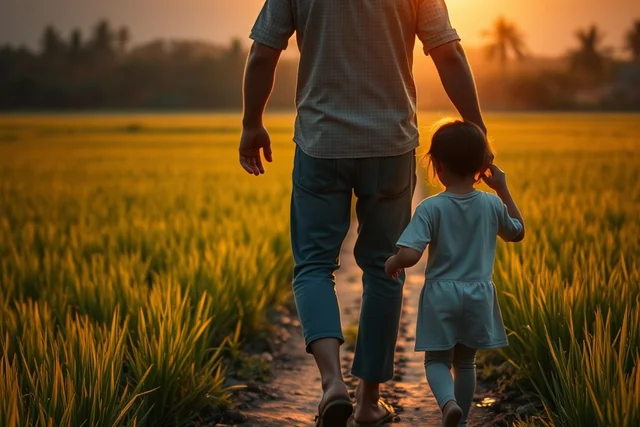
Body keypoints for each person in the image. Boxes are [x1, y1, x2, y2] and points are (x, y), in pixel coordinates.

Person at [239, 1, 487, 425]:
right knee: (384, 268)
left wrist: (251, 122)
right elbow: (448, 52)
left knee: (314, 265)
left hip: (321, 144)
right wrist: (476, 128)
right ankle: (369, 402)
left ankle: (332, 383)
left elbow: (264, 52)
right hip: (389, 144)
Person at [384, 120, 525, 427]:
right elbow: (517, 232)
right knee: (465, 361)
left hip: (441, 295)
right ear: (482, 166)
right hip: (478, 294)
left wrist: (393, 263)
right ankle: (460, 421)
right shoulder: (491, 203)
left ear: (438, 166)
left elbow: (411, 253)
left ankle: (448, 405)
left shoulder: (430, 207)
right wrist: (502, 187)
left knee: (436, 360)